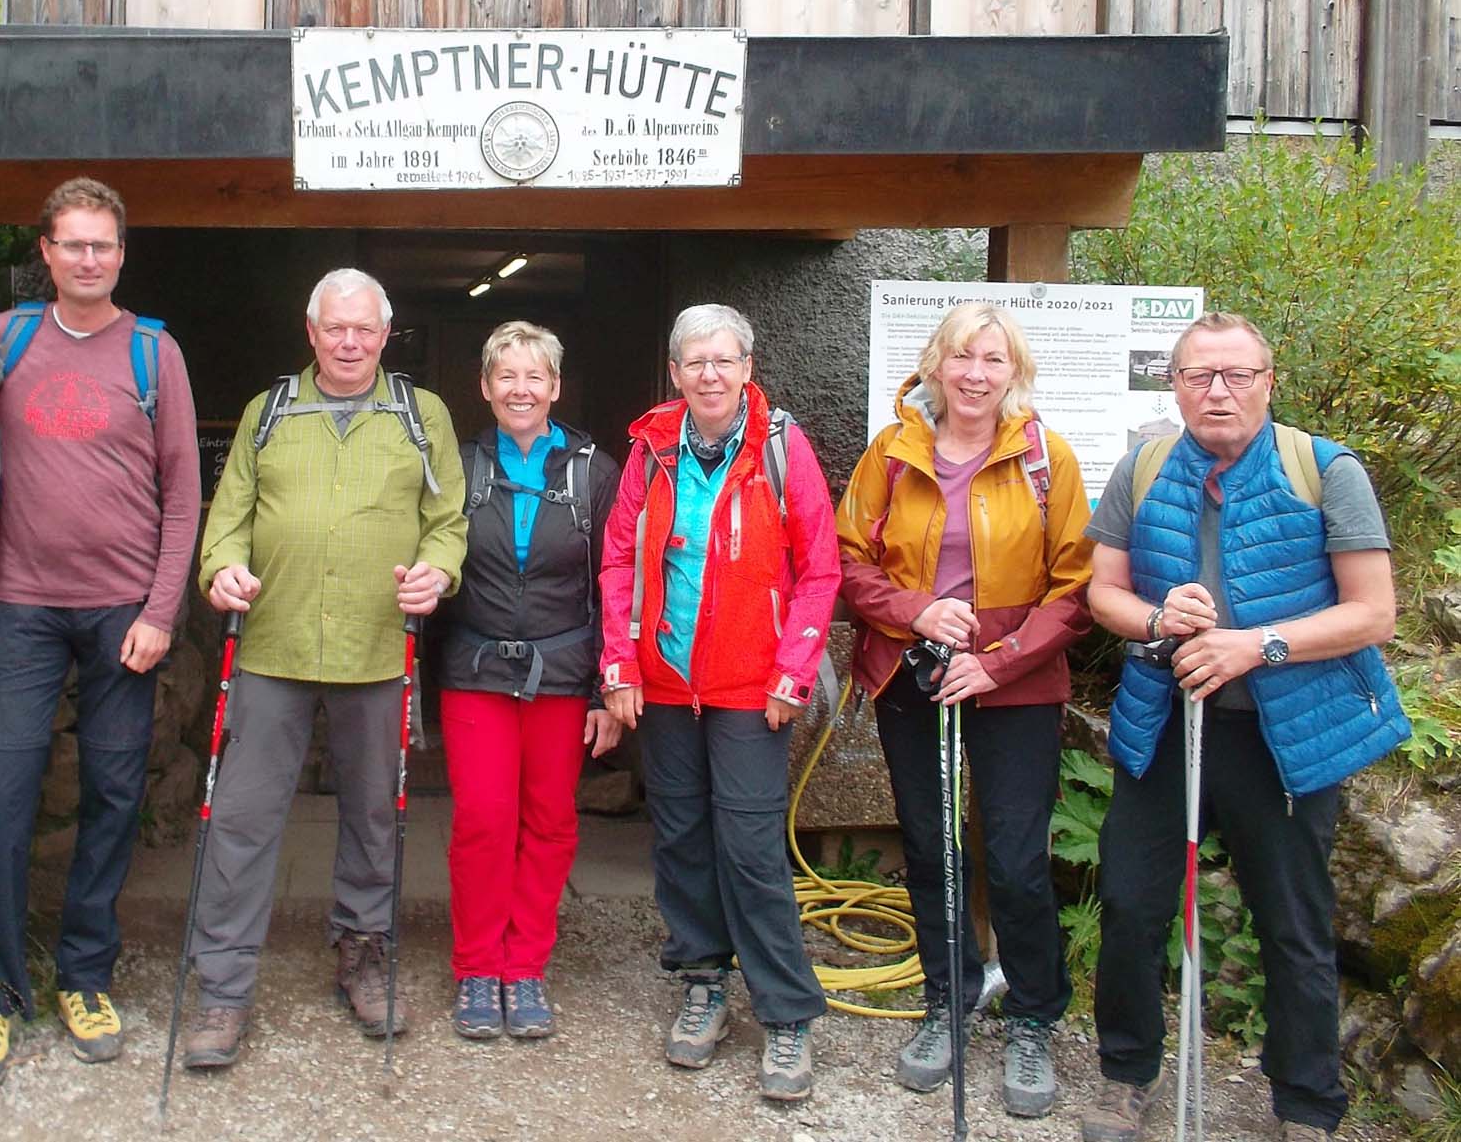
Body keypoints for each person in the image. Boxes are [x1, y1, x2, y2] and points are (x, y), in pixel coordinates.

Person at [1079, 313, 1406, 1142]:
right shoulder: (1147, 466)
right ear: (1176, 385)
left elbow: (1374, 614)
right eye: (1198, 376)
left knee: (1292, 920)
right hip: (1169, 722)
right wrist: (1157, 616)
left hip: (1288, 734)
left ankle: (1305, 1104)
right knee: (1129, 904)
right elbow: (1102, 593)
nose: (1217, 391)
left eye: (1235, 375)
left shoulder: (1326, 470)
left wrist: (1256, 645)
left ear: (1268, 379)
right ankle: (1125, 1076)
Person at [181, 267, 467, 1069]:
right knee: (241, 817)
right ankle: (223, 988)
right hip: (272, 643)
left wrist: (437, 572)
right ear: (312, 332)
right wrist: (222, 570)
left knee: (375, 813)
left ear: (385, 334)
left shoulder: (422, 415)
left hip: (376, 646)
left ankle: (363, 953)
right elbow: (226, 521)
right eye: (334, 327)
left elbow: (447, 522)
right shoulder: (268, 412)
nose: (349, 341)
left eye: (364, 329)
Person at [0, 178, 201, 1089]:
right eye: (73, 244)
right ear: (46, 252)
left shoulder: (152, 353)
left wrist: (160, 611)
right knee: (0, 795)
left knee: (111, 792)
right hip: (19, 602)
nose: (88, 258)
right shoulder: (6, 339)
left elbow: (184, 493)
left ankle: (86, 971)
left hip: (120, 614)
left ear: (121, 253)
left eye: (104, 245)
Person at [833, 301, 1094, 1117]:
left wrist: (998, 660)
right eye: (962, 357)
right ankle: (948, 1003)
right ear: (936, 365)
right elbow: (848, 561)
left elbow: (1076, 585)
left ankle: (1031, 1017)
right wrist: (916, 610)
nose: (976, 374)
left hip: (1014, 683)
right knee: (930, 847)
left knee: (1015, 855)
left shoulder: (1045, 456)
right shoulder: (893, 452)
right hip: (913, 677)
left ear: (1013, 370)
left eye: (993, 359)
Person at [597, 303, 840, 1102]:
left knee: (750, 847)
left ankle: (785, 1013)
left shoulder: (780, 446)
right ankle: (702, 980)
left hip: (750, 687)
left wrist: (793, 672)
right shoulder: (650, 450)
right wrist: (618, 663)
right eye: (694, 361)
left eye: (723, 360)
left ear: (747, 368)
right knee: (682, 837)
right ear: (675, 372)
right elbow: (620, 560)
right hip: (664, 684)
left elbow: (820, 569)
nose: (709, 374)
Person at [433, 320, 623, 1041]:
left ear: (555, 387)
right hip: (476, 668)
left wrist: (609, 687)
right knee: (483, 818)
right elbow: (433, 563)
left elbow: (615, 583)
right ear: (485, 387)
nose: (521, 388)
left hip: (564, 671)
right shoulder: (460, 465)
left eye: (534, 376)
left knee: (549, 819)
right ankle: (478, 966)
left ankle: (526, 966)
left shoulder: (592, 471)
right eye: (506, 376)